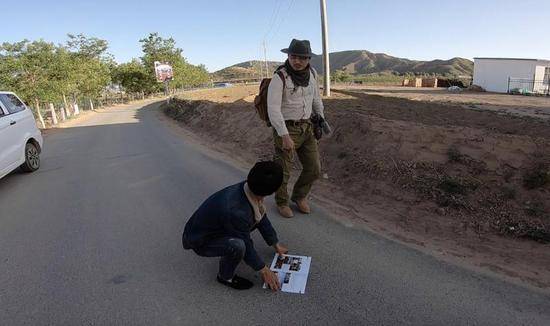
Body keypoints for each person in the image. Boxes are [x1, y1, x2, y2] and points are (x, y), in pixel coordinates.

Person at [182, 161, 288, 290]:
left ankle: (228, 244)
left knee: (244, 228)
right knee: (238, 246)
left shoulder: (249, 187)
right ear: (271, 192)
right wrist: (264, 269)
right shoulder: (236, 211)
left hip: (218, 225)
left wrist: (275, 243)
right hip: (200, 240)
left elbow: (260, 216)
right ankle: (225, 276)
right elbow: (246, 243)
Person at [267, 39, 325, 218]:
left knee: (314, 168)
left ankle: (299, 196)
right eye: (293, 56)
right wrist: (284, 135)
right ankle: (282, 202)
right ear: (288, 56)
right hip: (286, 128)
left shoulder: (312, 74)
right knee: (284, 170)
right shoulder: (280, 77)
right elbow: (273, 109)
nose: (297, 61)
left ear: (308, 59)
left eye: (302, 57)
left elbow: (316, 99)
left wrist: (320, 118)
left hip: (307, 127)